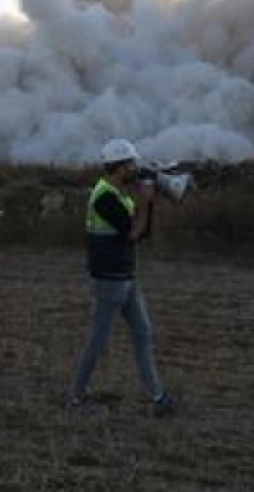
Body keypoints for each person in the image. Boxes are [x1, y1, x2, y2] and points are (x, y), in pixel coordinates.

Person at [67, 137, 177, 416]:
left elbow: (142, 233)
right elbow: (131, 232)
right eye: (132, 163)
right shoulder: (104, 196)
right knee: (99, 340)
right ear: (120, 166)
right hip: (109, 279)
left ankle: (157, 397)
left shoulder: (120, 195)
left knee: (143, 333)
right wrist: (145, 198)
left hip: (126, 276)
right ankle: (76, 398)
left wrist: (147, 202)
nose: (136, 168)